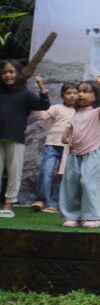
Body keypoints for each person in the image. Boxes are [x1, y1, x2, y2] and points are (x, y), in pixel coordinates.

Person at [59, 75, 100, 226]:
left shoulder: (97, 113)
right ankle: (72, 216)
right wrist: (66, 138)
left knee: (88, 183)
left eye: (85, 91)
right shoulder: (75, 114)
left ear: (95, 96)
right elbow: (66, 135)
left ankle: (92, 216)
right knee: (71, 184)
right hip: (75, 155)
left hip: (92, 154)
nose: (80, 94)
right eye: (79, 91)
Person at [0, 63, 50, 216]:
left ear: (18, 74)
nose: (8, 75)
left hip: (15, 137)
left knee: (14, 172)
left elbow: (43, 105)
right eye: (4, 72)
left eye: (11, 71)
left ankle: (8, 205)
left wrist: (42, 87)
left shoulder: (25, 93)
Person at [31, 82, 78, 213]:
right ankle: (42, 200)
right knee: (46, 171)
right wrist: (40, 99)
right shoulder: (56, 107)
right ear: (62, 95)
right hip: (52, 143)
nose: (72, 96)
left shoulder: (80, 111)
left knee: (62, 175)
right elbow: (41, 115)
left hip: (69, 146)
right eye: (69, 93)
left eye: (75, 93)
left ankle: (54, 203)